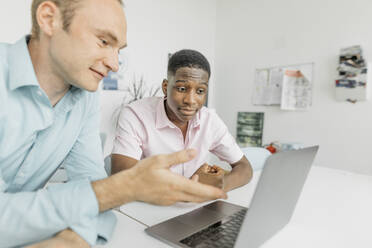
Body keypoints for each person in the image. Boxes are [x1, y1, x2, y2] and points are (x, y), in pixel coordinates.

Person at [0, 0, 227, 247]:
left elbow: (89, 183)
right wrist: (119, 189)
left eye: (118, 49)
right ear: (48, 19)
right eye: (104, 41)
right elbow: (98, 194)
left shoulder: (84, 97)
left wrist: (72, 239)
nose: (115, 64)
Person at [111, 49, 253, 192]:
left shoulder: (209, 120)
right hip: (147, 207)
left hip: (194, 206)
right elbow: (123, 177)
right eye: (182, 88)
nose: (190, 101)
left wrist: (219, 186)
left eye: (200, 91)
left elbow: (245, 168)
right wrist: (190, 187)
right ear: (165, 87)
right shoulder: (135, 115)